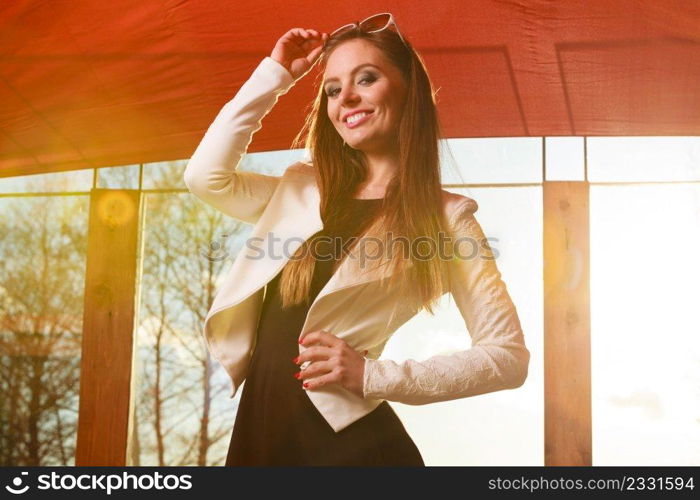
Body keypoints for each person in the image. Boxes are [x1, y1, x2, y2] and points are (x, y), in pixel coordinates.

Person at [183, 13, 530, 466]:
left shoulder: (448, 220)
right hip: (261, 431)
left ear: (408, 91)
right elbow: (204, 176)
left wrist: (373, 376)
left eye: (366, 78)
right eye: (331, 89)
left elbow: (507, 357)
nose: (346, 96)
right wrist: (276, 76)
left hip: (352, 449)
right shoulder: (300, 189)